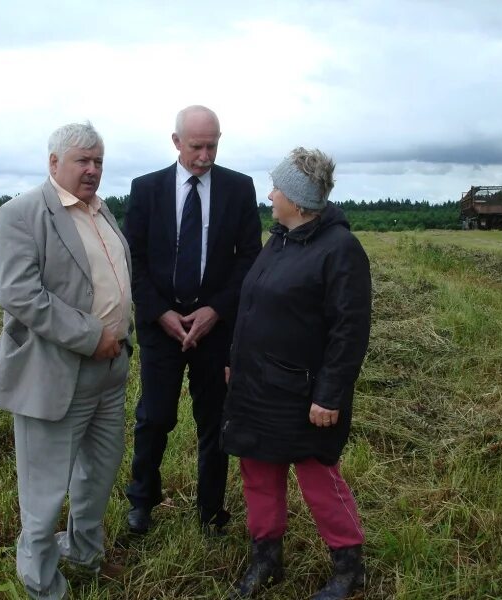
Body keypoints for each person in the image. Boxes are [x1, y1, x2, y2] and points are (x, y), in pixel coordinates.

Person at [0, 122, 132, 600]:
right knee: (44, 492)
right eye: (82, 160)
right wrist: (93, 337)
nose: (92, 170)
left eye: (98, 161)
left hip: (111, 372)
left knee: (99, 472)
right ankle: (42, 583)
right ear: (54, 163)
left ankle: (85, 552)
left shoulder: (101, 211)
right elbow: (20, 294)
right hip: (55, 373)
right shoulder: (21, 214)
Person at [222, 147, 372, 599]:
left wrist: (329, 396)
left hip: (303, 394)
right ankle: (267, 560)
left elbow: (350, 331)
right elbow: (253, 307)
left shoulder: (340, 250)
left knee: (318, 478)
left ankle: (349, 569)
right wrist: (236, 361)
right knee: (258, 472)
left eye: (277, 189)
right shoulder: (281, 239)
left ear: (299, 199)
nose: (270, 195)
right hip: (256, 387)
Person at [123, 105, 262, 536]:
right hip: (161, 326)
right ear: (176, 141)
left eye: (213, 145)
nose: (205, 155)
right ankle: (141, 502)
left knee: (215, 420)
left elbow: (249, 260)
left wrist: (215, 309)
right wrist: (160, 313)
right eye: (197, 146)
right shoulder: (146, 189)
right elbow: (134, 259)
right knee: (155, 416)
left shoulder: (239, 189)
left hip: (215, 327)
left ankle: (210, 511)